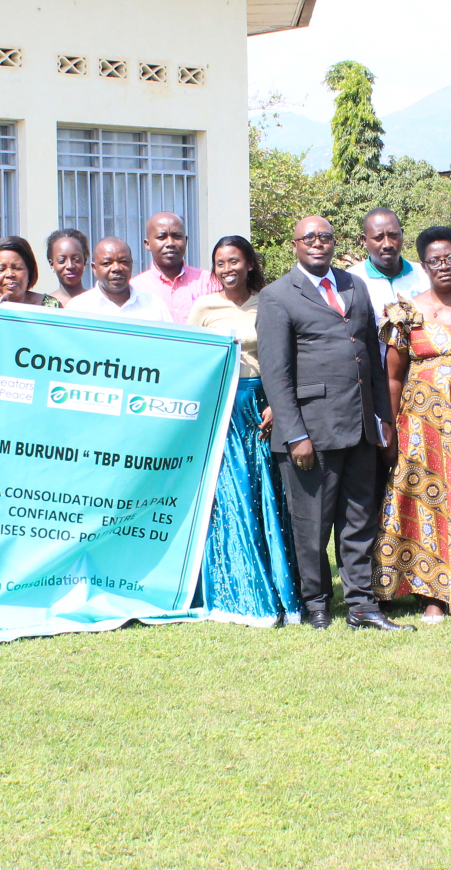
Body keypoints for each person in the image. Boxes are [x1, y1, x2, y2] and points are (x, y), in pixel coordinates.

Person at [256, 215, 409, 631]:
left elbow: (370, 358)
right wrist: (295, 434)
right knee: (312, 525)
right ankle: (317, 603)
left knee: (359, 520)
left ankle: (361, 604)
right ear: (295, 245)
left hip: (359, 426)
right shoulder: (276, 297)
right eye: (310, 238)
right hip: (311, 431)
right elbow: (276, 372)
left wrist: (381, 418)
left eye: (325, 236)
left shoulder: (354, 285)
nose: (318, 243)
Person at [375, 226, 451, 624]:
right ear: (423, 265)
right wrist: (389, 429)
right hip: (421, 428)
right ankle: (433, 595)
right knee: (429, 503)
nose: (444, 266)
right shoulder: (406, 309)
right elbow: (393, 376)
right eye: (435, 260)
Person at [186, 236, 300, 626]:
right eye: (220, 263)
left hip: (265, 403)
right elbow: (191, 357)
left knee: (267, 492)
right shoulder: (204, 307)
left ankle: (280, 591)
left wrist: (277, 404)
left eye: (234, 261)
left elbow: (287, 356)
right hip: (223, 406)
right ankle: (239, 591)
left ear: (250, 264)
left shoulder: (270, 300)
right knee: (231, 494)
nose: (227, 269)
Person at [352, 208, 431, 327]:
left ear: (402, 235)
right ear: (364, 240)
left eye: (393, 236)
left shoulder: (425, 275)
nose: (387, 244)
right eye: (378, 238)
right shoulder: (350, 281)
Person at [130, 212, 213, 323]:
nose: (170, 243)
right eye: (161, 237)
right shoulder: (134, 288)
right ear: (147, 244)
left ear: (186, 241)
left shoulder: (208, 281)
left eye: (177, 236)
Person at [66, 238, 170, 321]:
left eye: (123, 262)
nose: (116, 268)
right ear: (94, 269)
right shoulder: (77, 308)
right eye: (107, 263)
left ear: (131, 264)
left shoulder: (154, 305)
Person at [0, 237, 62, 308]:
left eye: (17, 268)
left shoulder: (50, 307)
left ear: (29, 272)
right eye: (1, 269)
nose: (10, 274)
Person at [45, 229, 90, 305]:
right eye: (62, 260)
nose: (70, 266)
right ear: (52, 264)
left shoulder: (96, 302)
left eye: (76, 259)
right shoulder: (43, 306)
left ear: (84, 261)